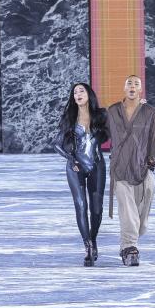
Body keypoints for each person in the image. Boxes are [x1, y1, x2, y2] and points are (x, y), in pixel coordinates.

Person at [107, 75, 155, 267]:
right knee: (127, 209)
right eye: (129, 83)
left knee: (141, 219)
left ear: (140, 90)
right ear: (124, 88)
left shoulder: (150, 112)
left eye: (136, 84)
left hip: (142, 167)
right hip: (120, 168)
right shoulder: (112, 111)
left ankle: (129, 240)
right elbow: (101, 131)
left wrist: (152, 161)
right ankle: (130, 248)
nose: (132, 86)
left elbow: (154, 138)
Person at [54, 83, 108, 266]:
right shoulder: (69, 117)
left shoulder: (101, 115)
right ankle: (87, 247)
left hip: (97, 165)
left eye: (81, 90)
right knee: (80, 205)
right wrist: (71, 159)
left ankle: (93, 240)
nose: (78, 94)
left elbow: (111, 133)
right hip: (75, 167)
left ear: (88, 94)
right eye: (75, 92)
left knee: (97, 209)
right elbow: (57, 144)